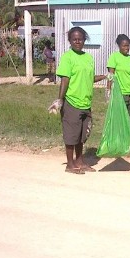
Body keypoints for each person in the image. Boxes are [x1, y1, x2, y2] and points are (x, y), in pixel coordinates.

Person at [48, 27, 107, 174]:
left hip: (86, 102)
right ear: (70, 41)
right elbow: (65, 80)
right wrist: (59, 100)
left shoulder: (88, 58)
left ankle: (80, 161)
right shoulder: (67, 57)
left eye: (80, 39)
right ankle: (70, 164)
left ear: (84, 40)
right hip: (71, 102)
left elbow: (89, 78)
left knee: (82, 135)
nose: (77, 42)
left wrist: (105, 76)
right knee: (71, 134)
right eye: (74, 39)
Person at [106, 34, 130, 124]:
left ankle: (128, 131)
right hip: (120, 93)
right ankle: (119, 132)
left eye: (128, 45)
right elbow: (110, 75)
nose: (126, 48)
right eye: (124, 46)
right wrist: (108, 90)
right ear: (119, 46)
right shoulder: (114, 57)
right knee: (120, 117)